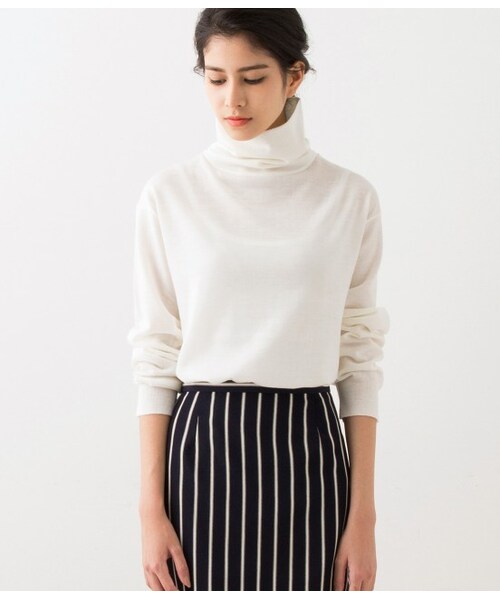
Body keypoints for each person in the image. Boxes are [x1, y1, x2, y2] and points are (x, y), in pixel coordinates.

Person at [127, 8, 390, 592]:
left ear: (294, 76)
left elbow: (359, 356)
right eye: (215, 78)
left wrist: (364, 516)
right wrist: (150, 511)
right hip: (204, 451)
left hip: (309, 449)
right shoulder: (171, 195)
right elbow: (156, 352)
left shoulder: (349, 197)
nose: (232, 100)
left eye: (252, 78)